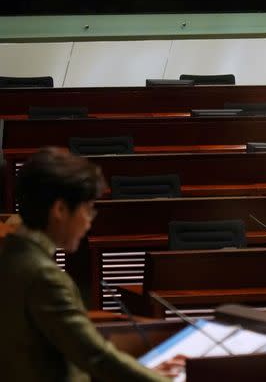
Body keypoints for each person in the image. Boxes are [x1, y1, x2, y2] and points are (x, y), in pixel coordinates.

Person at [0, 148, 171, 381]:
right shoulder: (43, 277)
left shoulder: (9, 255)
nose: (89, 222)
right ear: (60, 209)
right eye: (87, 209)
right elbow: (95, 357)